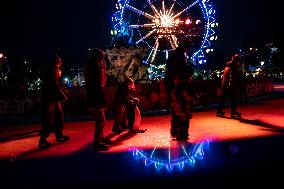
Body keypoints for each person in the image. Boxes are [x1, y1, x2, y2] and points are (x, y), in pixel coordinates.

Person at [164, 39, 194, 140]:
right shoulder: (180, 56)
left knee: (175, 111)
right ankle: (183, 132)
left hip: (173, 86)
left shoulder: (174, 55)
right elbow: (181, 70)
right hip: (179, 87)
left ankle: (175, 130)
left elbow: (169, 72)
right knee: (183, 111)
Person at [39, 55, 70, 149]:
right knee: (48, 119)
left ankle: (59, 135)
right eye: (59, 63)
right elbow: (53, 85)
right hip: (49, 99)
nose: (60, 65)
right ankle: (42, 140)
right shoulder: (50, 71)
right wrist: (62, 95)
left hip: (53, 98)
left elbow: (55, 84)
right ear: (56, 62)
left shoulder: (53, 70)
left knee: (58, 116)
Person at [84, 48, 111, 151]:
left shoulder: (93, 64)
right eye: (102, 58)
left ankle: (100, 139)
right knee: (101, 120)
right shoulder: (95, 66)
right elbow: (98, 81)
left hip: (95, 93)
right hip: (95, 93)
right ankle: (96, 142)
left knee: (101, 119)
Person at [216, 54, 242, 118]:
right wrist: (231, 87)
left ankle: (219, 111)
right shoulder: (233, 67)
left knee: (224, 99)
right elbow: (231, 77)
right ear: (237, 61)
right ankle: (233, 112)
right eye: (238, 61)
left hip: (225, 85)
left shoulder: (228, 66)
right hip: (230, 86)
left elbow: (226, 77)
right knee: (234, 99)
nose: (239, 63)